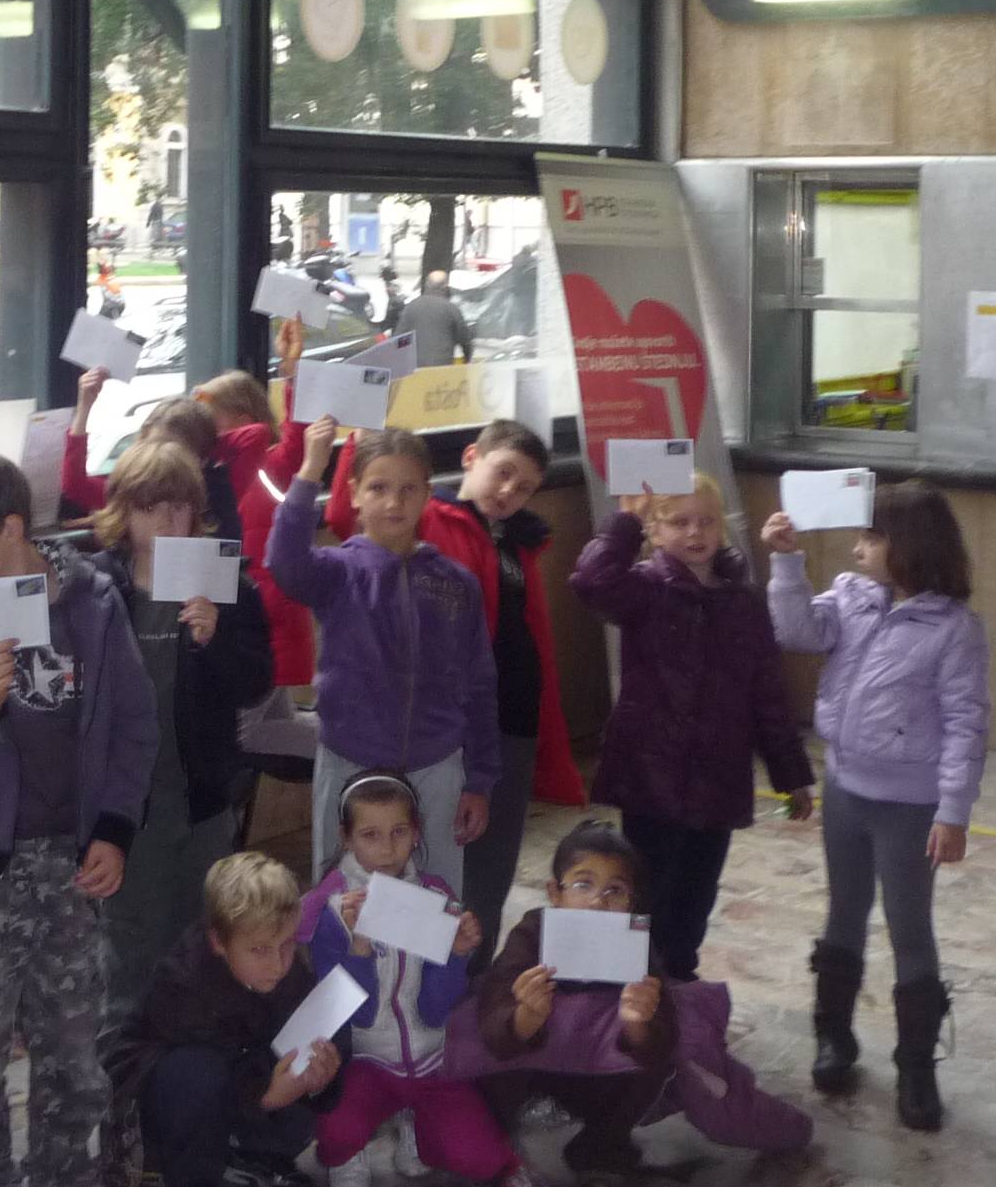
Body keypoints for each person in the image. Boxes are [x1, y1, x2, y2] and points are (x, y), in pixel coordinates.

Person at [0, 451, 160, 1187]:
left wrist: (114, 828)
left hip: (72, 860)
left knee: (73, 1044)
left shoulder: (93, 604)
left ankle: (62, 1169)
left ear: (12, 529)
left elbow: (134, 726)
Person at [763, 482, 990, 1131]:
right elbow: (795, 630)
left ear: (908, 547)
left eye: (870, 537)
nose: (857, 548)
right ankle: (833, 1035)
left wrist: (953, 810)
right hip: (846, 790)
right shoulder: (850, 596)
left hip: (909, 805)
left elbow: (966, 724)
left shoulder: (953, 631)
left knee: (909, 926)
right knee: (844, 912)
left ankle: (916, 1066)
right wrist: (786, 562)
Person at [325, 417, 586, 966]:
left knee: (488, 867)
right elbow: (352, 519)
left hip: (507, 716)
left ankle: (466, 980)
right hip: (438, 727)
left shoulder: (518, 538)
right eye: (503, 473)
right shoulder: (429, 521)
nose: (509, 491)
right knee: (413, 863)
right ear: (471, 457)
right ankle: (396, 981)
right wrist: (353, 437)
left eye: (525, 486)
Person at [460, 821, 811, 1182]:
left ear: (631, 903)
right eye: (583, 884)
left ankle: (601, 1148)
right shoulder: (532, 934)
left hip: (596, 1075)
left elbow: (661, 1039)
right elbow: (494, 1013)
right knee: (485, 1046)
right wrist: (525, 1017)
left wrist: (637, 1024)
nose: (598, 901)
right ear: (555, 893)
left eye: (615, 890)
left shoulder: (635, 948)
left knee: (656, 1059)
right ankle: (496, 1146)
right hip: (535, 1064)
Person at [571, 473, 816, 982]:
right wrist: (625, 522)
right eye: (678, 522)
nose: (694, 532)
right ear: (655, 531)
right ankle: (632, 989)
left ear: (722, 527)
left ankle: (679, 984)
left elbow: (767, 693)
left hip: (719, 779)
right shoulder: (644, 589)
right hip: (651, 778)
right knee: (646, 894)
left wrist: (790, 773)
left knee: (695, 897)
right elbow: (591, 582)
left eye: (705, 521)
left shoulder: (744, 603)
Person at [80, 438, 277, 1018]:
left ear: (197, 511)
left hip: (202, 799)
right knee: (130, 951)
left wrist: (216, 638)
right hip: (128, 807)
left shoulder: (225, 582)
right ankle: (124, 1065)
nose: (167, 520)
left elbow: (256, 683)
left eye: (180, 506)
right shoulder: (96, 589)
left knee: (203, 940)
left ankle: (192, 1055)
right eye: (150, 507)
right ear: (125, 513)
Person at [267, 419, 498, 886]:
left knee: (435, 899)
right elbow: (284, 563)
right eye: (379, 488)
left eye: (409, 489)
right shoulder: (337, 572)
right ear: (354, 494)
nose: (394, 502)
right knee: (344, 899)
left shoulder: (456, 583)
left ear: (428, 493)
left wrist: (479, 779)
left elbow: (478, 681)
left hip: (437, 766)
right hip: (351, 759)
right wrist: (311, 469)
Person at [300, 773, 530, 1187]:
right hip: (362, 1061)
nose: (387, 849)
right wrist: (359, 948)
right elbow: (356, 1016)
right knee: (338, 1132)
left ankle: (416, 1126)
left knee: (483, 1157)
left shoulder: (436, 898)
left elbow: (435, 1010)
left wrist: (456, 954)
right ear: (346, 837)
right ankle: (348, 1152)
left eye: (399, 832)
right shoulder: (331, 909)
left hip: (429, 1058)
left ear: (416, 832)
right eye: (370, 835)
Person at [107, 852, 344, 1187]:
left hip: (239, 1079)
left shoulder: (287, 972)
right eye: (259, 950)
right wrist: (266, 1096)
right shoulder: (185, 983)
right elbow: (226, 1066)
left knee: (318, 1037)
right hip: (156, 1103)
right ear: (219, 941)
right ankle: (184, 1174)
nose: (278, 964)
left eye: (287, 944)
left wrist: (318, 1081)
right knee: (198, 1074)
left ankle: (254, 1161)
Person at [197, 322, 317, 687]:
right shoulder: (203, 479)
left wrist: (292, 371)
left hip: (275, 621)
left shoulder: (272, 466)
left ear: (243, 421)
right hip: (233, 620)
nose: (202, 433)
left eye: (209, 421)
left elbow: (298, 437)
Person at [64, 375, 246, 538]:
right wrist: (85, 407)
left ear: (201, 461)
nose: (159, 456)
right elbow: (76, 485)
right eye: (150, 445)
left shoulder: (217, 498)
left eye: (173, 453)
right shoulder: (135, 483)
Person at [394, 272, 474, 369]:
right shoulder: (451, 308)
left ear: (426, 284)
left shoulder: (411, 307)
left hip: (415, 368)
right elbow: (464, 339)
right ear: (445, 286)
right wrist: (467, 359)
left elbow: (398, 340)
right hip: (442, 367)